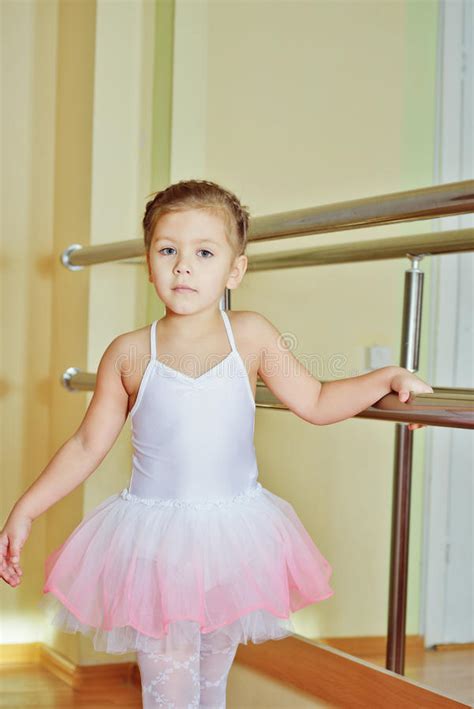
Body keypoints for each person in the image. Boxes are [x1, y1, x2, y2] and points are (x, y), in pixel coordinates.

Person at [0, 179, 433, 708]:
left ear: (235, 269)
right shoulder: (131, 352)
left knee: (210, 685)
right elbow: (88, 444)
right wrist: (25, 510)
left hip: (233, 538)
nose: (184, 266)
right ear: (148, 260)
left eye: (204, 252)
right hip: (155, 546)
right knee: (170, 689)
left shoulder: (250, 335)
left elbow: (317, 401)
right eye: (168, 250)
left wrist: (387, 377)